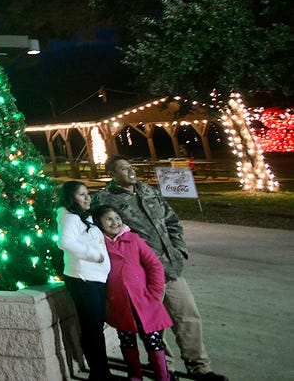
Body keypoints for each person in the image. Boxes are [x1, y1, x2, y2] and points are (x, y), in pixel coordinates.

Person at [94, 155, 227, 381]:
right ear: (113, 175)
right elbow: (102, 233)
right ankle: (165, 368)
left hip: (170, 267)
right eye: (123, 169)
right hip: (141, 274)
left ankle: (200, 367)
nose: (130, 171)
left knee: (188, 316)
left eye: (130, 167)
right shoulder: (105, 199)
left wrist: (178, 249)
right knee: (154, 323)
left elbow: (171, 220)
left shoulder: (148, 190)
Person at [93, 205, 172, 381]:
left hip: (144, 300)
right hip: (119, 302)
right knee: (127, 339)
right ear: (99, 223)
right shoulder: (98, 244)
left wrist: (154, 291)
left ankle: (163, 375)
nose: (115, 222)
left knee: (153, 339)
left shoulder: (133, 240)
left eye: (117, 218)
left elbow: (154, 265)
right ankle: (135, 374)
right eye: (109, 219)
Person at [58, 181, 112, 380]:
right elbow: (64, 242)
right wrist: (93, 255)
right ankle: (99, 374)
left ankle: (102, 371)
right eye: (81, 195)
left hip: (94, 278)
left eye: (88, 193)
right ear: (71, 198)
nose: (87, 197)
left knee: (96, 327)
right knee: (92, 328)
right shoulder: (71, 217)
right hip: (83, 279)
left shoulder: (83, 217)